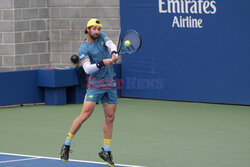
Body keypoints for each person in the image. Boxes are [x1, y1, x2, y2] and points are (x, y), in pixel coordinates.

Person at [60, 18, 119, 167]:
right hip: (95, 84)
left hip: (110, 83)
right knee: (85, 115)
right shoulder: (83, 48)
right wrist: (102, 63)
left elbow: (111, 44)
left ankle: (106, 150)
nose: (97, 32)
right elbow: (87, 69)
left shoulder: (102, 37)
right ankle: (66, 144)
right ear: (87, 29)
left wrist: (113, 53)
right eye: (94, 29)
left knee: (110, 118)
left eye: (98, 29)